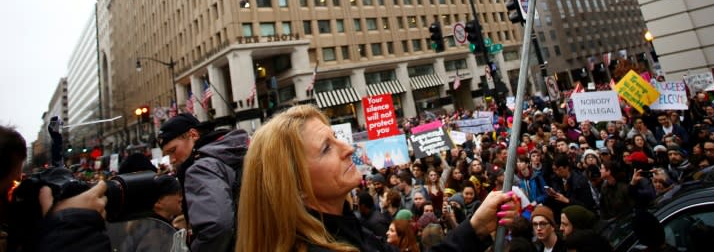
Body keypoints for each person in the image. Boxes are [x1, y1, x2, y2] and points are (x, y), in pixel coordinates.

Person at [235, 104, 520, 252]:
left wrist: (475, 227)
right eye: (326, 148)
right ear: (293, 184)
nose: (348, 149)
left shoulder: (348, 228)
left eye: (336, 138)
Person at [158, 113, 248, 252]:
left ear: (193, 135)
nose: (172, 160)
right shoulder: (238, 151)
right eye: (167, 155)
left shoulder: (200, 168)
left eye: (173, 151)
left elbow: (216, 226)